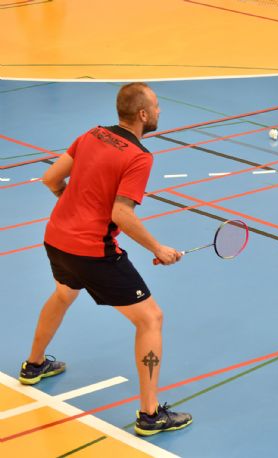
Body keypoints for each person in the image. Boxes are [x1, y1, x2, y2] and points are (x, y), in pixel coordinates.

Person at [18, 82, 193, 436]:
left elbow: (51, 178)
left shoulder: (92, 134)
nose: (160, 112)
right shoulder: (139, 156)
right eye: (157, 107)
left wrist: (71, 204)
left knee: (64, 293)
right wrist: (157, 248)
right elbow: (122, 215)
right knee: (150, 319)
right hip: (91, 251)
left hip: (56, 238)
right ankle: (149, 415)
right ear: (143, 114)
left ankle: (33, 366)